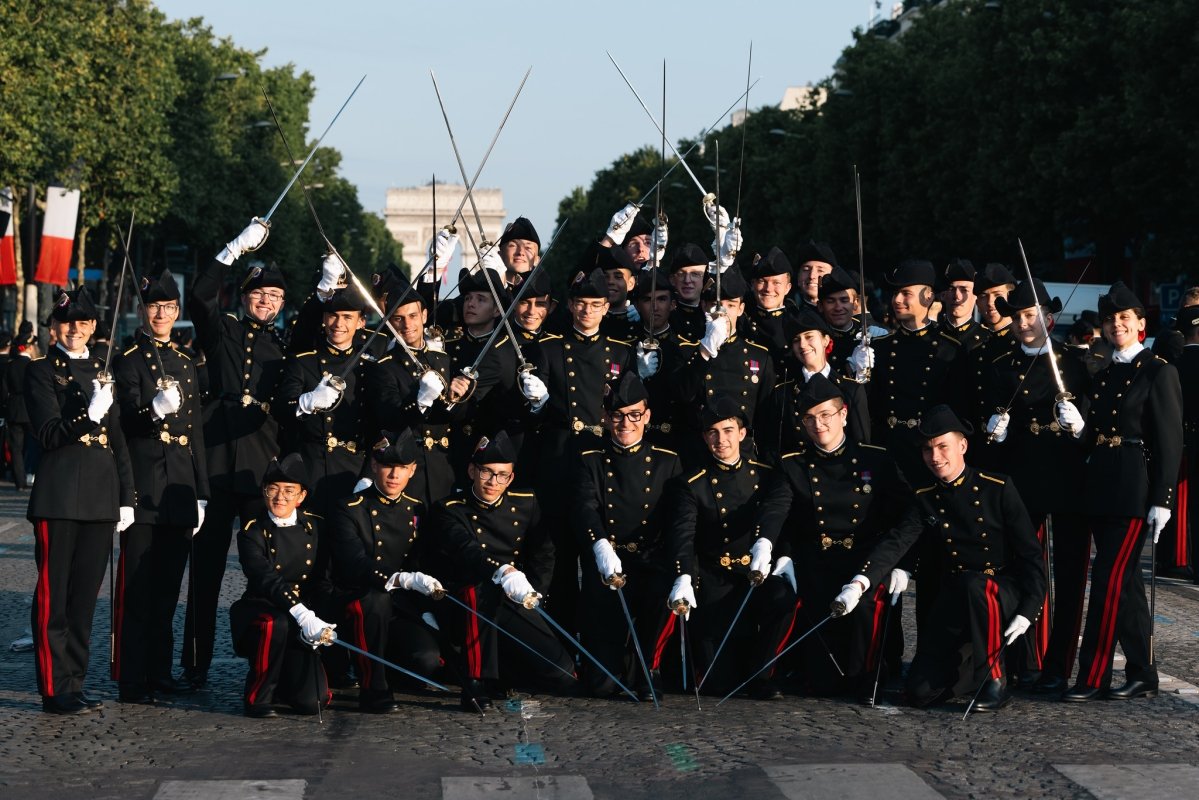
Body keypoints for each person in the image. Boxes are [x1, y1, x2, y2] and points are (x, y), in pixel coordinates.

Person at [833, 405, 1045, 712]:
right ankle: (976, 666)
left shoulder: (997, 488)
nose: (935, 457)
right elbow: (898, 541)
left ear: (962, 445)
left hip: (999, 594)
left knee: (976, 584)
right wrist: (859, 582)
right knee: (919, 694)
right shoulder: (926, 497)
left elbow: (1031, 556)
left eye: (943, 446)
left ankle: (994, 682)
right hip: (956, 601)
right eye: (928, 450)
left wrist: (1029, 609)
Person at [756, 375, 918, 700]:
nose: (819, 425)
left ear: (843, 414)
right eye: (810, 418)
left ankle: (868, 675)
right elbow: (777, 507)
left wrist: (905, 565)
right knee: (821, 682)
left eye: (826, 415)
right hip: (817, 562)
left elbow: (910, 515)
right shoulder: (793, 466)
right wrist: (766, 543)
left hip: (864, 560)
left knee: (866, 607)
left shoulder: (876, 459)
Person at [1064, 282, 1183, 702]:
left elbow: (1170, 440)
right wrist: (1078, 428)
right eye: (1111, 320)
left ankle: (1092, 676)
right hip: (1101, 486)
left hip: (1136, 488)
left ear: (1141, 325)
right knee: (1127, 584)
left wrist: (1163, 500)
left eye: (1124, 319)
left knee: (1108, 582)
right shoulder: (1105, 371)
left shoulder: (1158, 370)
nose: (1117, 325)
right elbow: (1096, 433)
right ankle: (1143, 672)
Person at [183, 219, 285, 689]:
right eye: (259, 294)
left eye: (275, 297)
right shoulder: (222, 332)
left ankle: (260, 655)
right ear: (244, 297)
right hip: (215, 470)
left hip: (258, 473)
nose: (266, 302)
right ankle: (197, 661)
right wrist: (234, 250)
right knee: (203, 575)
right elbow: (199, 296)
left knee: (261, 571)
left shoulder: (283, 348)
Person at [976, 279, 1090, 691]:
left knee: (1072, 574)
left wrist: (1081, 426)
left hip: (1068, 480)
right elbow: (987, 438)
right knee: (1024, 569)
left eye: (1032, 315)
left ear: (1049, 318)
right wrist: (996, 432)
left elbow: (1092, 425)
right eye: (1019, 316)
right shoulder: (1001, 368)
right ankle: (1027, 661)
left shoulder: (1074, 364)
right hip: (1023, 481)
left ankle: (1059, 665)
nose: (1024, 323)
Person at [27, 287, 136, 713]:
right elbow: (50, 434)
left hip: (99, 496)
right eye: (68, 322)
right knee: (54, 597)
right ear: (55, 326)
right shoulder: (40, 371)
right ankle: (54, 688)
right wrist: (86, 415)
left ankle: (74, 681)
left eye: (85, 322)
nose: (76, 329)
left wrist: (126, 496)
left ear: (94, 326)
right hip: (58, 496)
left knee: (85, 599)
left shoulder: (100, 368)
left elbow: (117, 440)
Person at [112, 269, 209, 704]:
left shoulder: (187, 363)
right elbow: (125, 424)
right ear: (143, 309)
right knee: (139, 589)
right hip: (144, 488)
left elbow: (196, 434)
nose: (162, 314)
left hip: (179, 489)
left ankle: (160, 671)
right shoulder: (128, 358)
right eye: (155, 307)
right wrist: (154, 410)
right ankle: (133, 678)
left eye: (169, 308)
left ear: (177, 312)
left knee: (169, 589)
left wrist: (202, 490)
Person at [429, 431, 576, 711]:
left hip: (513, 596)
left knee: (561, 672)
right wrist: (504, 571)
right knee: (477, 592)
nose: (493, 482)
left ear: (511, 477)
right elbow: (467, 550)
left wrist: (534, 596)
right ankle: (474, 681)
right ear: (472, 470)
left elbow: (543, 554)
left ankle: (503, 670)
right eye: (486, 473)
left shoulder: (527, 501)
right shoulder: (449, 509)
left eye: (502, 475)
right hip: (467, 600)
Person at [666, 395, 796, 699]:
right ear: (704, 437)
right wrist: (683, 576)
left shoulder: (767, 475)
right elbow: (683, 534)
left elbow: (778, 513)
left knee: (783, 597)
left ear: (742, 433)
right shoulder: (691, 483)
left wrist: (774, 550)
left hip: (755, 575)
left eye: (727, 431)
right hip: (715, 579)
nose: (720, 440)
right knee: (718, 684)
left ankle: (763, 672)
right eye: (712, 432)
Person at [527, 264, 632, 631]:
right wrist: (536, 400)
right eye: (581, 303)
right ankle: (558, 634)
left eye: (595, 304)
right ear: (570, 306)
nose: (587, 310)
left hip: (601, 458)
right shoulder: (550, 347)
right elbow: (533, 412)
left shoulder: (622, 350)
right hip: (559, 456)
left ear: (607, 307)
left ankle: (599, 635)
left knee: (598, 547)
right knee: (555, 550)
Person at [574, 372, 681, 700]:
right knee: (601, 686)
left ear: (647, 416)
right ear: (605, 418)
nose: (626, 423)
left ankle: (652, 666)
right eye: (617, 415)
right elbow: (585, 508)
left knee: (661, 599)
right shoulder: (589, 460)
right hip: (610, 564)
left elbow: (678, 518)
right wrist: (600, 543)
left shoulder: (667, 462)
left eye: (634, 414)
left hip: (650, 561)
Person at [327, 431, 444, 713]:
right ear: (375, 467)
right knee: (375, 600)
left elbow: (424, 560)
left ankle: (389, 669)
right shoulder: (349, 508)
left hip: (400, 606)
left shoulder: (417, 508)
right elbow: (353, 562)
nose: (394, 475)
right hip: (357, 599)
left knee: (426, 660)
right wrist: (398, 578)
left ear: (412, 471)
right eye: (388, 466)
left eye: (402, 468)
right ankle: (373, 687)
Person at [230, 454, 336, 717]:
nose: (280, 497)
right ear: (264, 492)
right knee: (274, 623)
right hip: (264, 609)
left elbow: (325, 578)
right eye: (273, 489)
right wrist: (302, 613)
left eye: (289, 491)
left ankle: (285, 682)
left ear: (301, 496)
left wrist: (321, 620)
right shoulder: (251, 532)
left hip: (303, 621)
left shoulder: (317, 526)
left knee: (314, 703)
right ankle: (258, 695)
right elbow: (267, 580)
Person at [363, 264, 459, 508]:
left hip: (444, 465)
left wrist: (462, 396)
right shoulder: (384, 366)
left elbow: (457, 416)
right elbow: (389, 418)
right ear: (391, 322)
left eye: (413, 316)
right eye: (399, 318)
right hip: (407, 465)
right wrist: (421, 401)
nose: (407, 325)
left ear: (425, 316)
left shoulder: (443, 359)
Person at [275, 283, 369, 516]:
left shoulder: (370, 367)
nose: (339, 324)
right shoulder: (302, 362)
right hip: (311, 468)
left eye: (348, 317)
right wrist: (305, 402)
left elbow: (378, 425)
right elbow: (280, 410)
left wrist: (368, 475)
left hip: (353, 471)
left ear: (361, 322)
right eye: (332, 316)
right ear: (324, 319)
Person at [673, 265, 775, 460]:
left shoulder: (759, 356)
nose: (722, 312)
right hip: (699, 452)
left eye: (730, 305)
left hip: (743, 455)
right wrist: (705, 350)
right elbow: (683, 395)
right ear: (703, 307)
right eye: (715, 305)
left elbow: (765, 418)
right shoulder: (686, 350)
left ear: (741, 308)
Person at [5, 321, 35, 491]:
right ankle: (35, 474)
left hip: (15, 408)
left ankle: (20, 481)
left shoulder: (11, 365)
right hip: (30, 408)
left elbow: (4, 388)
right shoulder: (33, 366)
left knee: (16, 448)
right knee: (38, 442)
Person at [937, 259, 988, 353]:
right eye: (952, 289)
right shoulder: (930, 336)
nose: (957, 296)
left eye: (964, 290)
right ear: (943, 295)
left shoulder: (987, 339)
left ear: (975, 297)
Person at [667, 244, 711, 342]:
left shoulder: (712, 313)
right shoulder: (665, 315)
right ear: (672, 280)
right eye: (681, 274)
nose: (687, 280)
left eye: (695, 274)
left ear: (706, 279)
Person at [792, 241, 839, 309]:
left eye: (820, 270)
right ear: (798, 277)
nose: (812, 276)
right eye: (806, 270)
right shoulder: (788, 317)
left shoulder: (844, 316)